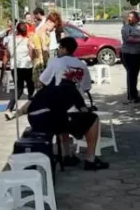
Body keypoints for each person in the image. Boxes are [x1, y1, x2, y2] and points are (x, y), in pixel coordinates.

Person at [27, 37, 108, 171]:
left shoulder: (55, 62)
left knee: (60, 116)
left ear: (64, 49)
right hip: (74, 107)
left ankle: (67, 154)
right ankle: (90, 158)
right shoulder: (82, 65)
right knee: (93, 119)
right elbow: (86, 87)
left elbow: (43, 81)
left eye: (59, 48)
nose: (58, 50)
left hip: (55, 110)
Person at [4, 22, 36, 119]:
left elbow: (8, 53)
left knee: (18, 89)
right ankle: (32, 108)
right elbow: (31, 54)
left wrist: (6, 63)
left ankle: (9, 109)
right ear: (26, 30)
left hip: (15, 67)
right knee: (31, 87)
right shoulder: (28, 40)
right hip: (27, 66)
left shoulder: (10, 39)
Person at [121, 11, 140, 103]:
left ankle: (135, 94)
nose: (129, 19)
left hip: (138, 53)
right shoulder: (126, 28)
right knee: (131, 74)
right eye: (128, 17)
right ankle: (131, 96)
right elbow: (128, 39)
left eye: (132, 17)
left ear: (136, 18)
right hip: (128, 54)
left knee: (135, 74)